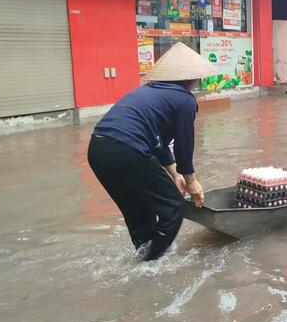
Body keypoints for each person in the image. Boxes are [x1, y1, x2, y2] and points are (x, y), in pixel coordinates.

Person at [87, 43, 219, 261]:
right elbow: (183, 146)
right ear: (194, 78)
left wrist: (175, 175)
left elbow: (159, 143)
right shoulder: (185, 100)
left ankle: (143, 256)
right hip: (128, 149)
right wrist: (191, 181)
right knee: (174, 208)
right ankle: (151, 264)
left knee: (137, 211)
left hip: (98, 149)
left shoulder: (148, 92)